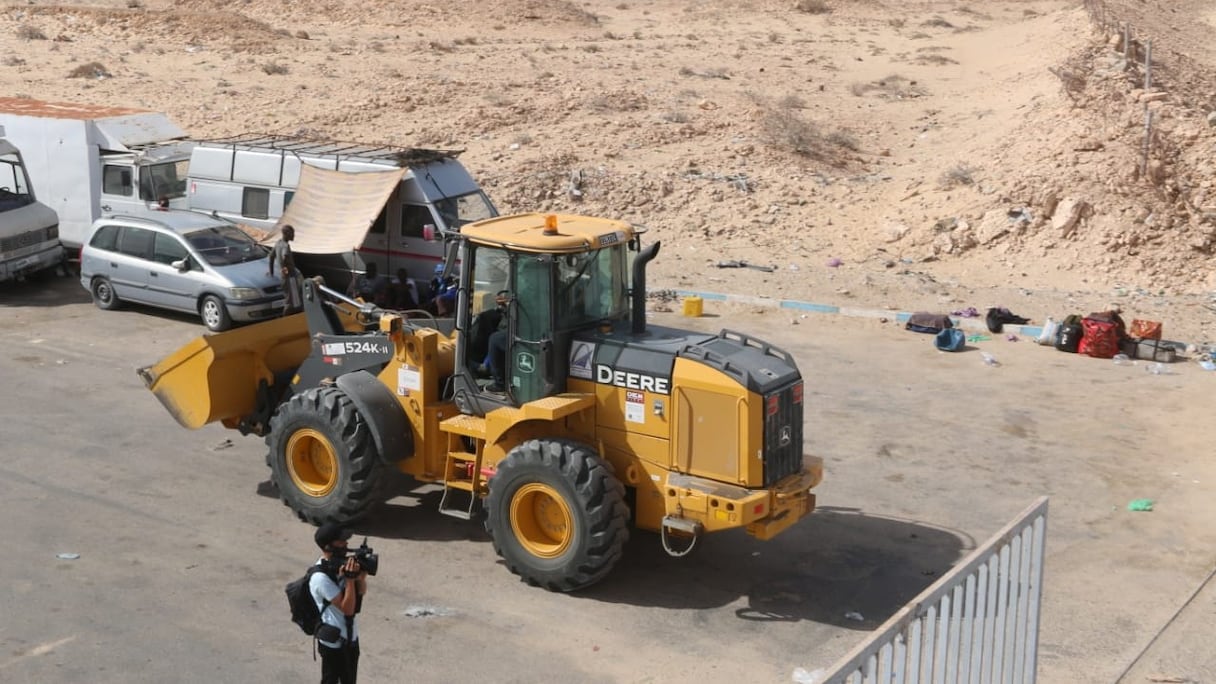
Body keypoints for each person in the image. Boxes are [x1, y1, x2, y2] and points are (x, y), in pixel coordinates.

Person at [310, 523, 368, 684]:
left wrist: (360, 579)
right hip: (333, 645)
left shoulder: (341, 565)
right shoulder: (320, 578)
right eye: (341, 541)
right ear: (328, 546)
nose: (346, 544)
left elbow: (361, 593)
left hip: (351, 638)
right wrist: (349, 581)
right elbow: (347, 610)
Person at [268, 224, 302, 315]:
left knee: (294, 301)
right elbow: (284, 257)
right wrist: (285, 271)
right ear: (286, 234)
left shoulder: (278, 243)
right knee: (292, 302)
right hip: (290, 277)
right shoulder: (285, 246)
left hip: (285, 278)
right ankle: (284, 318)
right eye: (292, 233)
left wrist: (271, 272)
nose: (293, 235)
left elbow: (271, 257)